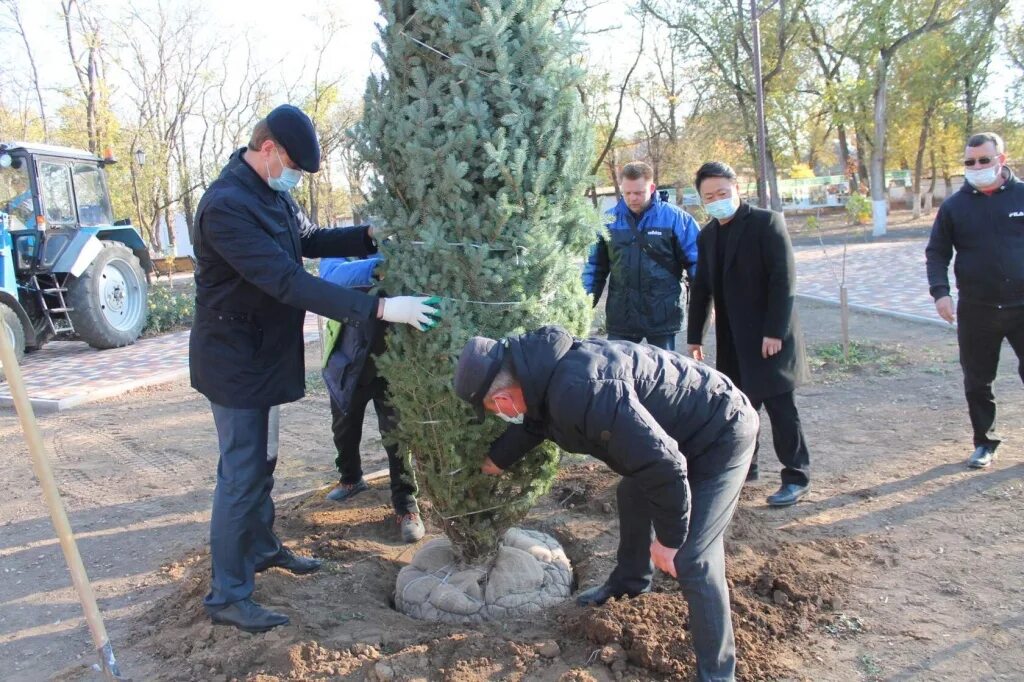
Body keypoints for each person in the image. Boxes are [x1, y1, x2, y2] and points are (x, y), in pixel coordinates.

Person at [190, 104, 441, 633]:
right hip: (234, 361)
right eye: (294, 169)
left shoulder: (270, 195)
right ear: (268, 150)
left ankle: (261, 548)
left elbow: (310, 240)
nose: (296, 180)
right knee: (240, 473)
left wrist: (368, 234)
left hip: (261, 353)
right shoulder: (228, 207)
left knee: (263, 463)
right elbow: (286, 279)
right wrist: (376, 307)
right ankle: (228, 594)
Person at [454, 325, 758, 682]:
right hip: (678, 433)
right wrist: (497, 459)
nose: (497, 414)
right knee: (631, 493)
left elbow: (664, 464)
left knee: (694, 556)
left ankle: (718, 674)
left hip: (720, 431)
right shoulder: (543, 377)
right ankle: (631, 582)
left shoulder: (584, 390)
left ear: (503, 398)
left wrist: (670, 539)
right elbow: (537, 425)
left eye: (491, 408)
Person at [687, 161, 811, 508]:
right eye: (709, 196)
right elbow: (702, 290)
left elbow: (783, 281)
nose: (717, 200)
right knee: (740, 409)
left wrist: (775, 332)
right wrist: (695, 336)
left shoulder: (766, 223)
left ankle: (796, 476)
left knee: (780, 407)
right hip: (733, 340)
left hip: (770, 338)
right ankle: (745, 470)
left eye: (722, 193)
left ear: (736, 188)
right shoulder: (707, 234)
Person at [925, 132, 1024, 469]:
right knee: (978, 381)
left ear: (1002, 159)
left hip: (1022, 307)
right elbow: (936, 253)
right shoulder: (954, 206)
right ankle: (985, 442)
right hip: (976, 310)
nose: (977, 166)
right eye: (970, 162)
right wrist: (941, 293)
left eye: (984, 159)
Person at [319, 254, 424, 542]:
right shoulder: (342, 254)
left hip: (394, 368)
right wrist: (381, 266)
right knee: (344, 429)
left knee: (397, 437)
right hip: (348, 363)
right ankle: (351, 479)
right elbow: (331, 273)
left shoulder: (406, 249)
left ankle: (406, 507)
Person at [583, 161, 699, 350]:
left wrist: (700, 311)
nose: (632, 198)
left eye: (638, 192)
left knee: (663, 372)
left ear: (651, 188)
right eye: (627, 193)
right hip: (622, 315)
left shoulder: (678, 219)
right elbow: (595, 268)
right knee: (617, 371)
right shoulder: (608, 221)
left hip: (663, 315)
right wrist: (585, 305)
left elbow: (697, 266)